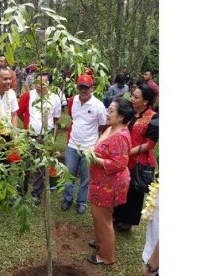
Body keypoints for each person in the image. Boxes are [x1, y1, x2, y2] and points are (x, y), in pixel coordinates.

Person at [86, 98, 133, 265]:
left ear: (121, 117)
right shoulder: (111, 128)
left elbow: (119, 164)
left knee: (103, 220)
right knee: (99, 217)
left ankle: (106, 256)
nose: (107, 113)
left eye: (111, 111)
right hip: (101, 182)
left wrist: (94, 159)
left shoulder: (120, 136)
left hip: (108, 184)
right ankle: (101, 243)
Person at [113, 84, 159, 232]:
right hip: (125, 157)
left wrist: (128, 152)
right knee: (122, 187)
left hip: (139, 160)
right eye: (132, 96)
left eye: (136, 97)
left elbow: (149, 145)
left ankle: (128, 221)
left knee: (134, 192)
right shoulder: (131, 113)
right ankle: (118, 215)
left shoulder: (153, 117)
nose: (132, 99)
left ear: (145, 101)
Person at [61, 74, 107, 214]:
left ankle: (81, 202)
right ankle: (67, 199)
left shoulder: (98, 105)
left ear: (91, 88)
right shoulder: (72, 101)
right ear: (77, 87)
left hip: (89, 148)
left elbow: (103, 125)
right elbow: (73, 118)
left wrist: (94, 141)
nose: (83, 90)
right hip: (72, 145)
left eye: (86, 87)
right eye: (80, 87)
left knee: (86, 177)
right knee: (68, 174)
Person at [17, 72, 62, 204]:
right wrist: (28, 124)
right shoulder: (28, 95)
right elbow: (20, 113)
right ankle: (21, 191)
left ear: (50, 84)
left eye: (43, 84)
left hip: (46, 136)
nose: (39, 86)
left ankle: (36, 193)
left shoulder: (54, 98)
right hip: (29, 135)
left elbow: (56, 117)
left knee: (41, 165)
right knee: (25, 163)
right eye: (37, 83)